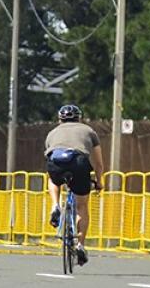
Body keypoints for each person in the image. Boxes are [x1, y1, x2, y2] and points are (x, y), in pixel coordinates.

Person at [44, 104, 104, 267]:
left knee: (52, 178)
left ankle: (55, 205)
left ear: (59, 119)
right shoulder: (89, 131)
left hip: (56, 163)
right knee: (82, 206)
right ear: (80, 118)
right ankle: (80, 245)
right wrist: (99, 181)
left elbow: (49, 155)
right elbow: (98, 163)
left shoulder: (52, 133)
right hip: (78, 162)